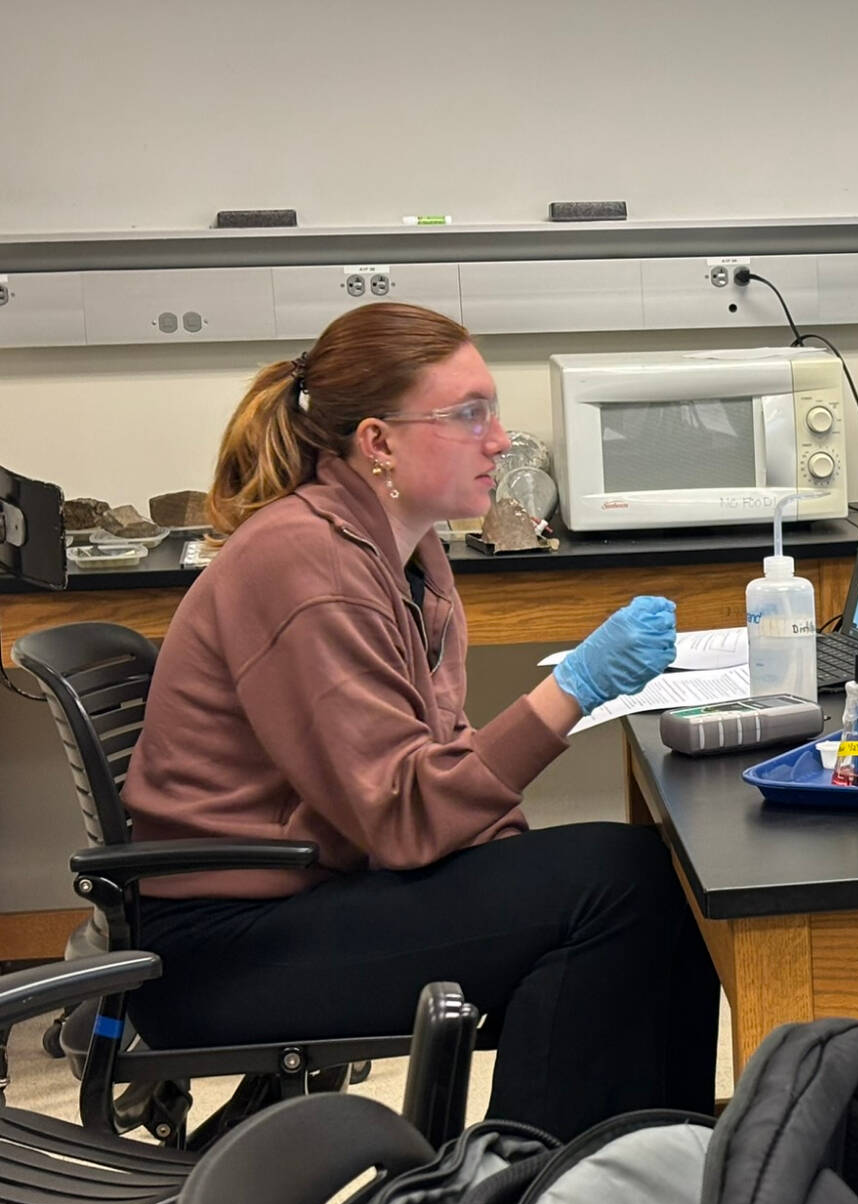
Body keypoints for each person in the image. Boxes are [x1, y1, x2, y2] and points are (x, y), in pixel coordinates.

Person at [121, 302, 718, 1141]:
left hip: (318, 889)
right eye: (469, 414)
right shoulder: (307, 563)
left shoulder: (405, 551)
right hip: (225, 949)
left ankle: (640, 1191)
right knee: (619, 886)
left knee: (634, 884)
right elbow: (404, 816)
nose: (501, 439)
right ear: (378, 442)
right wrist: (574, 687)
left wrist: (515, 871)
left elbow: (438, 758)